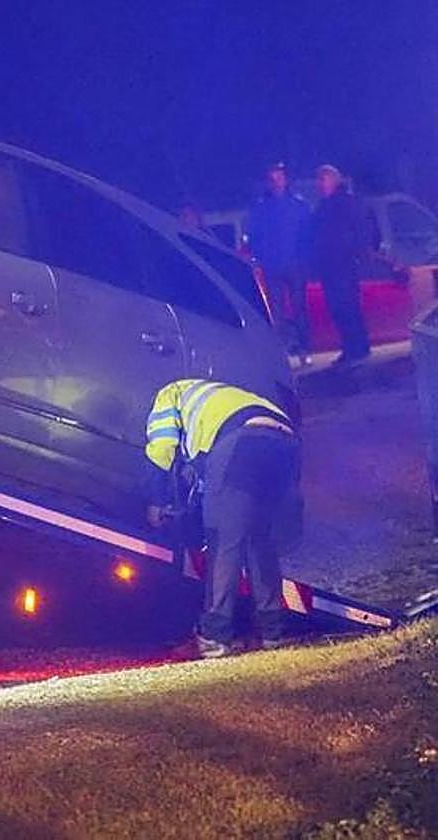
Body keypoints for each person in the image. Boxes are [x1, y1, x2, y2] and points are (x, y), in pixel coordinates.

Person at [145, 379, 302, 658]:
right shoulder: (226, 394)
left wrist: (157, 500)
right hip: (285, 443)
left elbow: (162, 449)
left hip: (240, 442)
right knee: (260, 539)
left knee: (223, 541)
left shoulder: (169, 394)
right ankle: (272, 632)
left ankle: (214, 637)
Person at [247, 163, 311, 362]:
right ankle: (283, 352)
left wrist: (304, 259)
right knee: (277, 310)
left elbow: (307, 234)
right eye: (273, 178)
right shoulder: (262, 208)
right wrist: (261, 258)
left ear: (286, 179)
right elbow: (255, 235)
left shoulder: (298, 205)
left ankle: (304, 349)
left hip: (295, 266)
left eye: (280, 177)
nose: (276, 182)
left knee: (299, 307)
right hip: (273, 267)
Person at [310, 164, 370, 365]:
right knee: (337, 309)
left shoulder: (347, 203)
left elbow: (361, 231)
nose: (320, 184)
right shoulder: (322, 206)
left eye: (323, 179)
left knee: (348, 307)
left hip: (344, 265)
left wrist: (355, 252)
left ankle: (358, 349)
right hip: (330, 267)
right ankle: (350, 347)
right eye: (319, 180)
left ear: (334, 180)